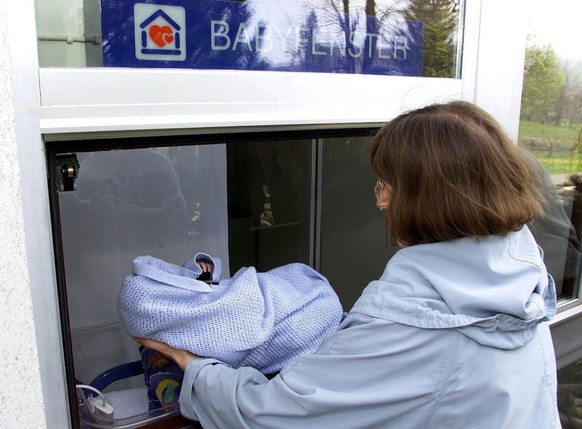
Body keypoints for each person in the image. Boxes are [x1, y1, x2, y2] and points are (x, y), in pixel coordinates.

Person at [138, 101, 561, 428]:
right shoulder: (522, 277)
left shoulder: (411, 324)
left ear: (426, 198)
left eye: (386, 186)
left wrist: (196, 369)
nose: (380, 202)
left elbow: (271, 416)